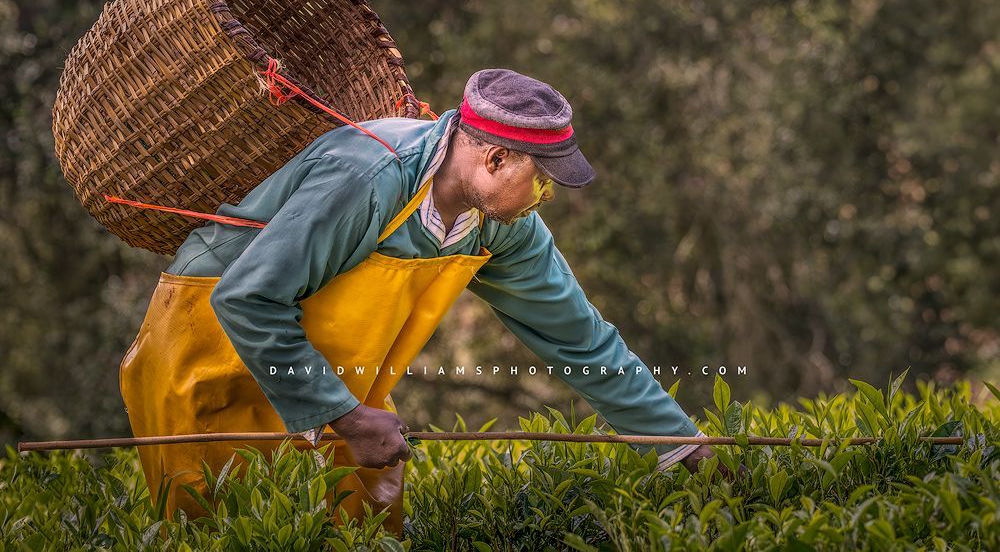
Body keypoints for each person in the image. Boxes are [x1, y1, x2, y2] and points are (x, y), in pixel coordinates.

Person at [119, 68, 735, 535]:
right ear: (495, 159)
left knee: (367, 525)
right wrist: (346, 415)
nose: (545, 195)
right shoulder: (370, 178)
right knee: (216, 527)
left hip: (330, 375)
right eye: (542, 179)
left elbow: (579, 340)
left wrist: (681, 444)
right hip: (211, 346)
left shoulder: (502, 223)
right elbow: (248, 299)